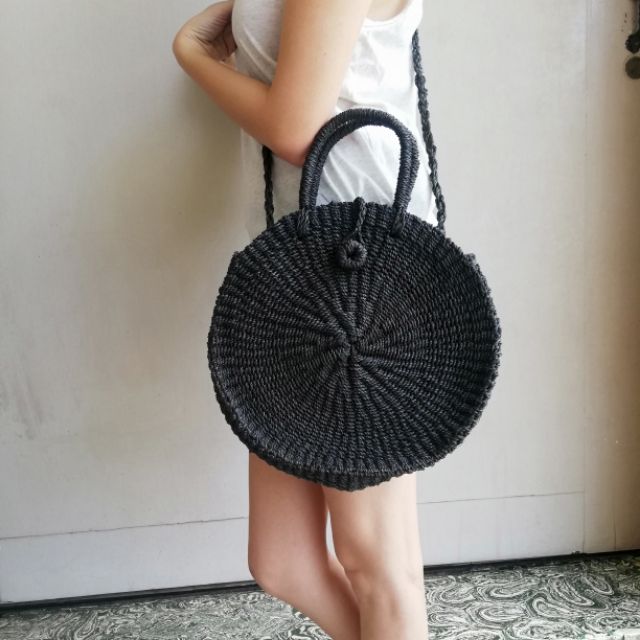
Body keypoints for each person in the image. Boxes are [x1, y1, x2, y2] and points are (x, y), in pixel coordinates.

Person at [172, 2, 433, 638]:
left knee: (378, 562)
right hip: (299, 268)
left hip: (361, 272)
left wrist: (191, 55)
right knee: (282, 559)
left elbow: (294, 129)